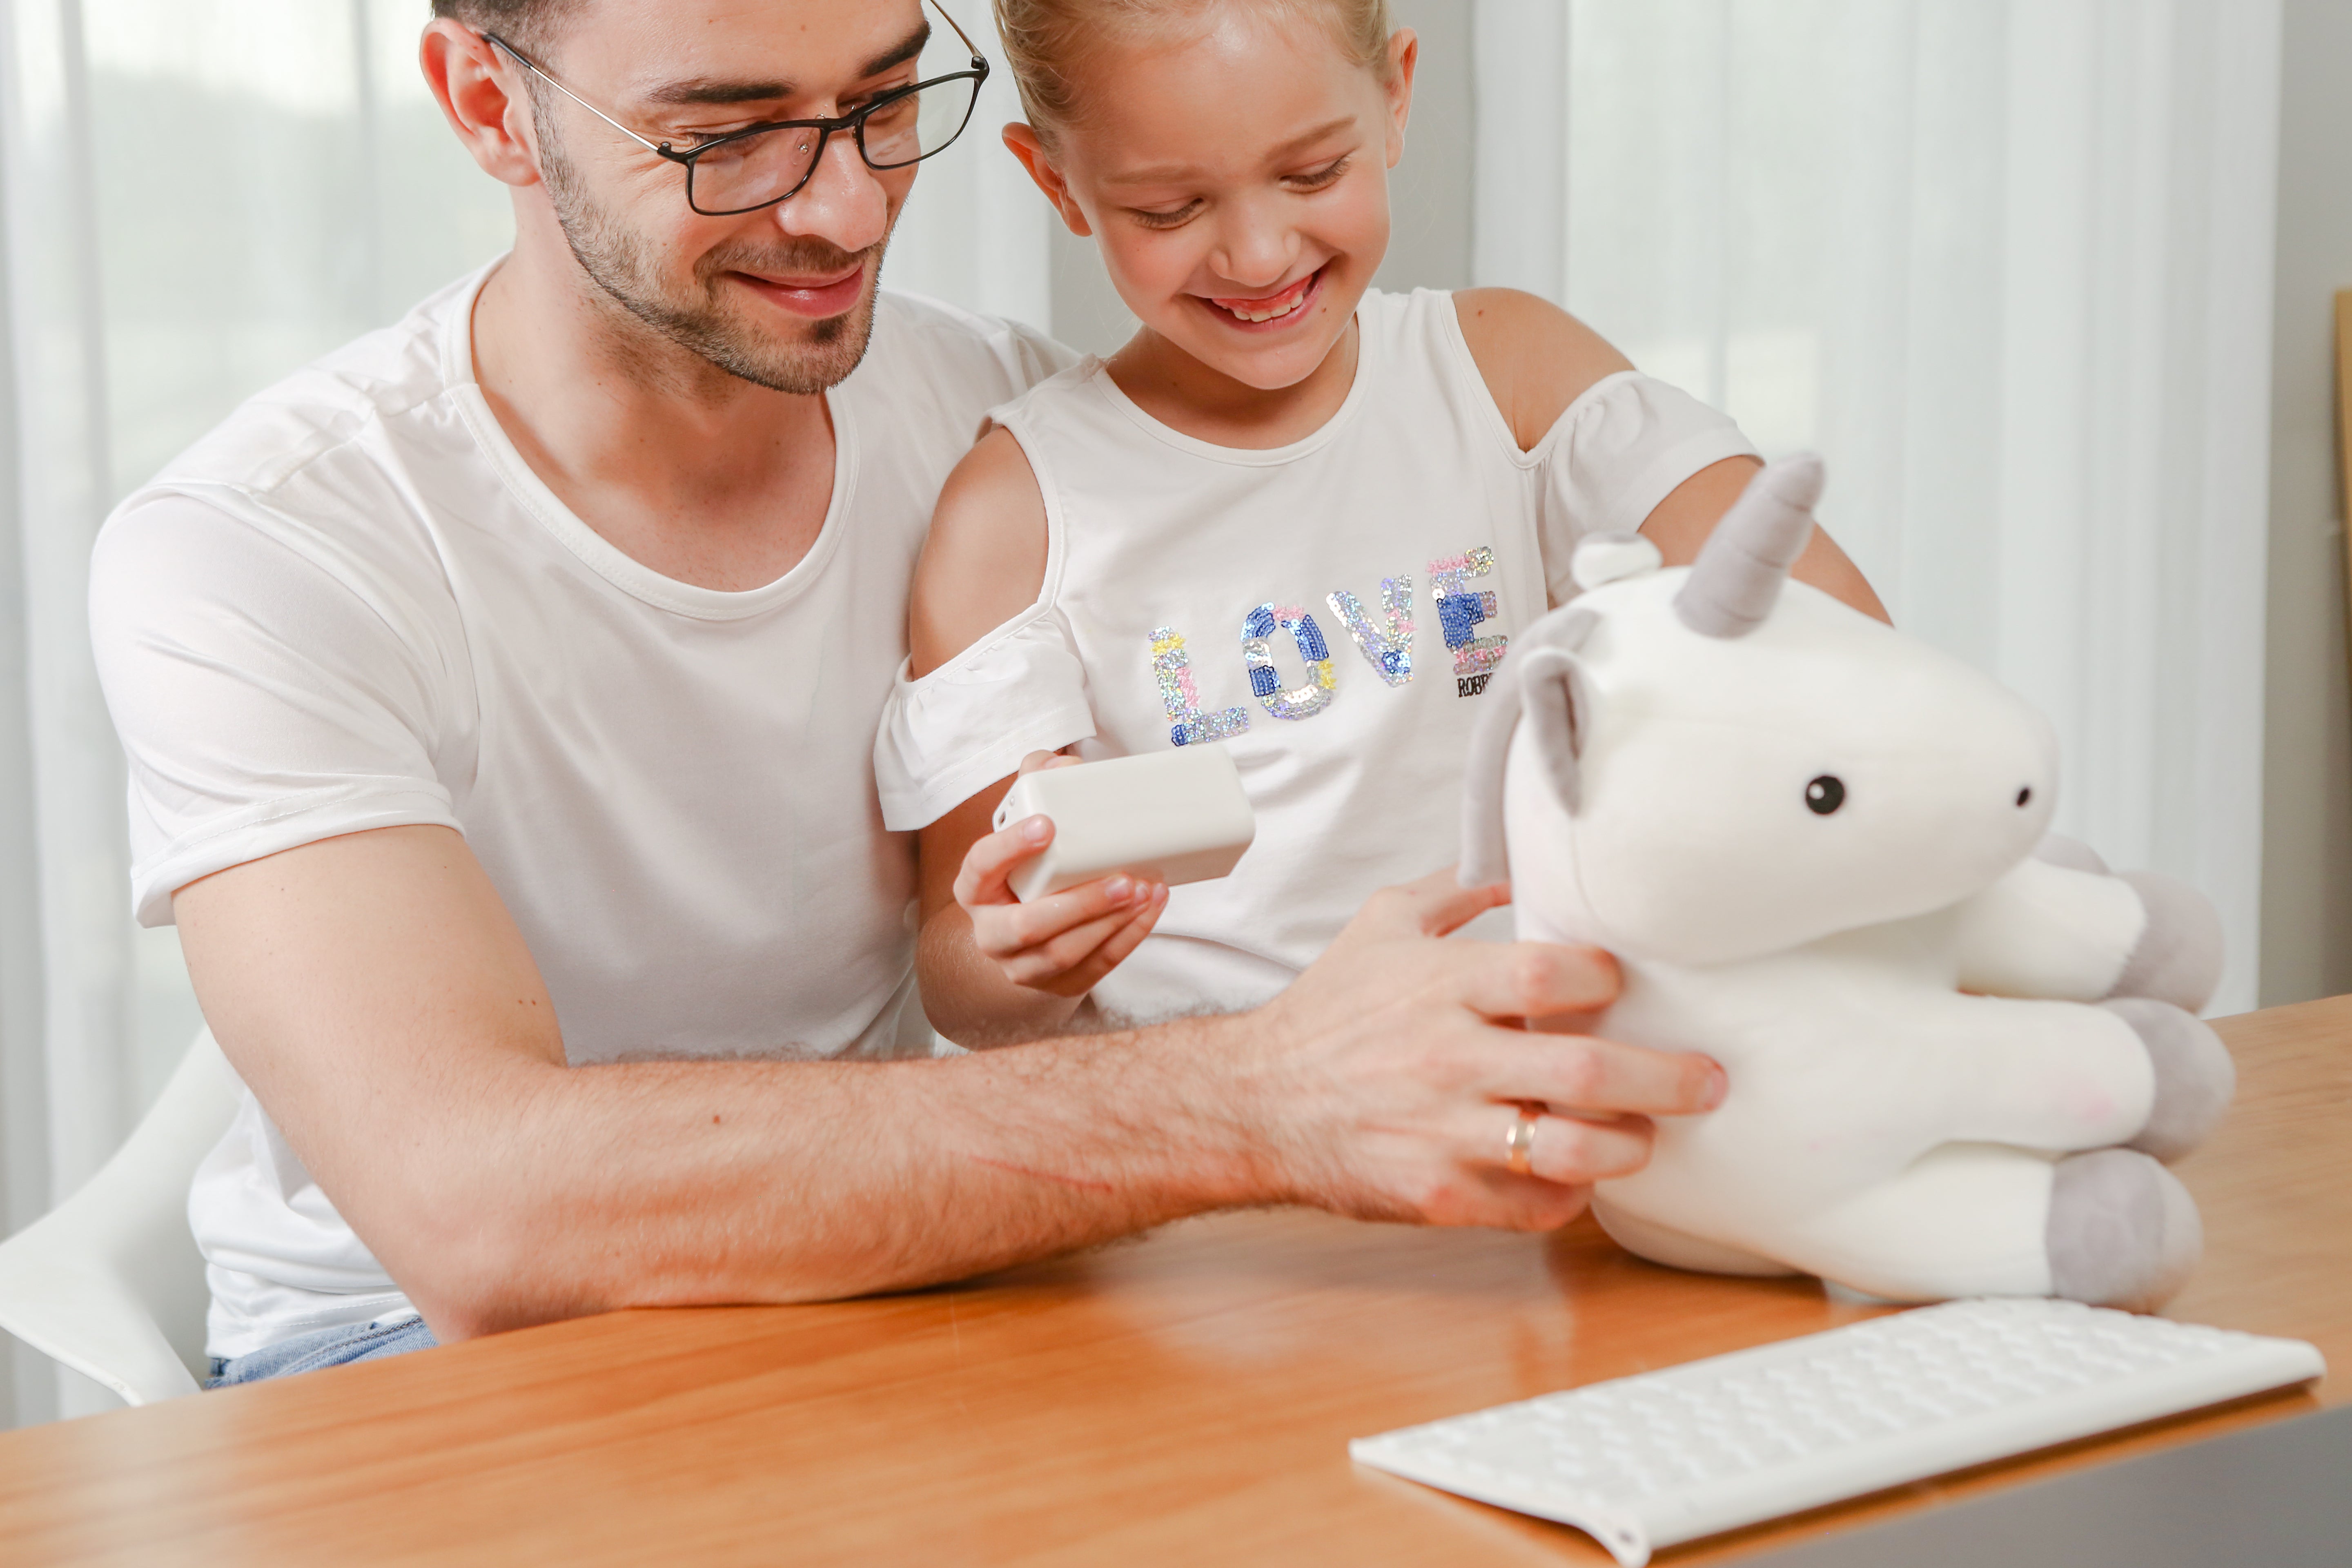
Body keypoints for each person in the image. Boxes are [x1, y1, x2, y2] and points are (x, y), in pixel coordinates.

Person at [86, 0, 1726, 1386]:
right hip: (412, 1356)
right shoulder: (264, 550)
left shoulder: (1011, 436)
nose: (849, 210)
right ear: (486, 105)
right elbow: (481, 1220)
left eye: (883, 102)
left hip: (897, 1283)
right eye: (730, 136)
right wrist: (1270, 1096)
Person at [883, 0, 1886, 1047]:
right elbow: (961, 980)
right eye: (1170, 209)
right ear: (1057, 182)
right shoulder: (1014, 517)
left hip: (1540, 1073)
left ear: (1396, 95)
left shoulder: (1510, 377)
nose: (1258, 256)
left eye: (1313, 173)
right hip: (1228, 1115)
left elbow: (1846, 649)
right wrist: (1022, 949)